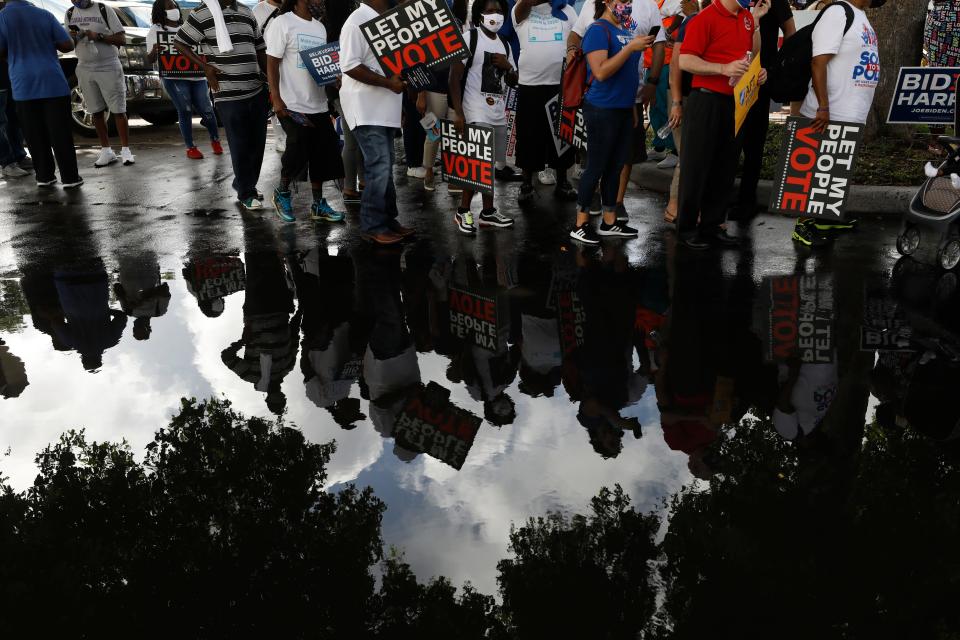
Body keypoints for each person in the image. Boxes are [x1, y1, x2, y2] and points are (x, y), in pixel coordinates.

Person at [675, 0, 767, 250]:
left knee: (725, 166)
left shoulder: (747, 17)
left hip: (735, 101)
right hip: (705, 100)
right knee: (696, 166)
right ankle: (686, 228)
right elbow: (685, 60)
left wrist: (758, 71)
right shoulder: (704, 18)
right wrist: (722, 68)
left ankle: (713, 224)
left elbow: (753, 52)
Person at [792, 0, 880, 246]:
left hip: (850, 111)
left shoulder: (859, 15)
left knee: (835, 172)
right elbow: (818, 62)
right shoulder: (837, 12)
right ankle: (803, 224)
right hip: (829, 110)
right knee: (816, 171)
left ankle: (824, 218)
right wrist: (823, 106)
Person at [569, 0, 654, 244]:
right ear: (606, 2)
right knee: (596, 166)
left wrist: (631, 107)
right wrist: (630, 48)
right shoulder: (598, 30)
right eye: (621, 0)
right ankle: (581, 223)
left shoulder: (624, 30)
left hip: (623, 108)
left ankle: (609, 221)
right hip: (601, 109)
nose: (626, 4)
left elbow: (628, 74)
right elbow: (601, 72)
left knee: (616, 166)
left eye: (628, 1)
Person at [175, 0, 270, 210]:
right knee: (240, 143)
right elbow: (180, 42)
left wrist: (270, 80)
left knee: (257, 143)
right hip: (227, 92)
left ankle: (245, 183)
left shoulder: (246, 11)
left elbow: (260, 48)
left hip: (256, 88)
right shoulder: (202, 13)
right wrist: (205, 67)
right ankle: (246, 191)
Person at [339, 0, 414, 245]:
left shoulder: (388, 22)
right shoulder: (356, 21)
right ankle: (373, 224)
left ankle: (388, 219)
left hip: (385, 107)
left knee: (386, 165)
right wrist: (388, 84)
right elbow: (349, 65)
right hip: (366, 106)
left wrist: (399, 105)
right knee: (379, 165)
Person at [265, 0, 346, 224]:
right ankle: (282, 193)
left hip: (318, 103)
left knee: (322, 154)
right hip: (292, 103)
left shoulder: (319, 27)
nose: (321, 1)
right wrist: (277, 98)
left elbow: (320, 65)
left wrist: (334, 79)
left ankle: (318, 205)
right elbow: (272, 64)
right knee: (297, 148)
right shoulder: (282, 23)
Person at [449, 0, 520, 234]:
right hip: (474, 108)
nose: (495, 15)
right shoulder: (471, 38)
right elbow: (454, 78)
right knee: (480, 163)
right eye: (490, 11)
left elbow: (511, 81)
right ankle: (462, 211)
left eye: (499, 11)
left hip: (497, 111)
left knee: (489, 166)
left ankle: (488, 212)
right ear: (480, 13)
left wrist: (508, 67)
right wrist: (459, 113)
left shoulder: (505, 44)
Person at [0, 0, 82, 188]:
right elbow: (66, 45)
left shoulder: (2, 17)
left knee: (34, 134)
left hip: (23, 85)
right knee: (60, 133)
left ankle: (44, 176)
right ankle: (70, 178)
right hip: (52, 82)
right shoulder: (45, 15)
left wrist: (12, 56)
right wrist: (72, 38)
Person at [731, 0, 794, 221]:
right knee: (730, 139)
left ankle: (747, 200)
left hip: (760, 79)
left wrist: (776, 66)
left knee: (754, 144)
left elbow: (790, 31)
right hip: (730, 75)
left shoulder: (775, 1)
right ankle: (722, 198)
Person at [512, 0, 579, 203]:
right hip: (529, 85)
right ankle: (526, 183)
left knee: (562, 135)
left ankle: (562, 182)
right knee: (528, 135)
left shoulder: (567, 10)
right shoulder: (521, 9)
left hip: (560, 84)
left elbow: (577, 40)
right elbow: (520, 11)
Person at [146, 0, 223, 160]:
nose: (174, 9)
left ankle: (215, 140)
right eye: (169, 7)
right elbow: (150, 59)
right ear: (161, 11)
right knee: (185, 110)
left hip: (197, 76)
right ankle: (190, 147)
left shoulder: (186, 27)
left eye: (175, 6)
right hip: (174, 78)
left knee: (207, 110)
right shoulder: (155, 30)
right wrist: (154, 50)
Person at [65, 0, 135, 167]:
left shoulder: (103, 9)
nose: (76, 1)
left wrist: (99, 36)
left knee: (118, 109)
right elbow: (68, 45)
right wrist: (75, 37)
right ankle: (106, 150)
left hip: (108, 65)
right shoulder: (70, 13)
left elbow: (122, 39)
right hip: (85, 67)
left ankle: (126, 150)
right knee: (95, 111)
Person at [662, 0, 698, 223]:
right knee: (687, 153)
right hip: (682, 97)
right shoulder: (691, 22)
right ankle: (674, 205)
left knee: (692, 153)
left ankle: (685, 205)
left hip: (696, 97)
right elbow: (676, 65)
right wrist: (677, 103)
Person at [253, 0, 287, 153]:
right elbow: (254, 41)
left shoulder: (291, 7)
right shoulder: (258, 10)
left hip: (291, 66)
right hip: (269, 65)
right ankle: (281, 137)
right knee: (275, 102)